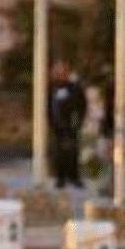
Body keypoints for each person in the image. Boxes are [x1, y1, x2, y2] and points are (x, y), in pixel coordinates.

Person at [48, 61, 87, 189]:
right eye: (58, 72)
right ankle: (61, 177)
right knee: (59, 152)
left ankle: (74, 176)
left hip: (72, 124)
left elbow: (81, 106)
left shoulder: (74, 87)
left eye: (63, 72)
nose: (60, 74)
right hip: (58, 125)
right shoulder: (52, 88)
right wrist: (52, 123)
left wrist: (77, 122)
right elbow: (49, 107)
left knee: (73, 151)